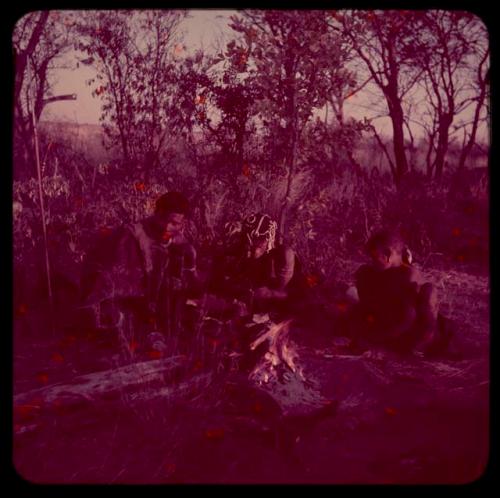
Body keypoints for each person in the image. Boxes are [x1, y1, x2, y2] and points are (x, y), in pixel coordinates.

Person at [79, 191, 198, 342]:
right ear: (156, 213)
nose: (166, 227)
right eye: (163, 219)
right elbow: (114, 286)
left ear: (183, 224)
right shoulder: (130, 237)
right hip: (123, 309)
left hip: (155, 313)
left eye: (174, 223)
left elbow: (191, 286)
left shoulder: (184, 247)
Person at [347, 229, 451, 356]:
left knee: (429, 290)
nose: (372, 263)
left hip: (410, 331)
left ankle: (417, 347)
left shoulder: (408, 276)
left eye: (374, 258)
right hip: (390, 325)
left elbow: (407, 316)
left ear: (388, 254)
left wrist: (377, 340)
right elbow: (369, 305)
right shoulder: (377, 271)